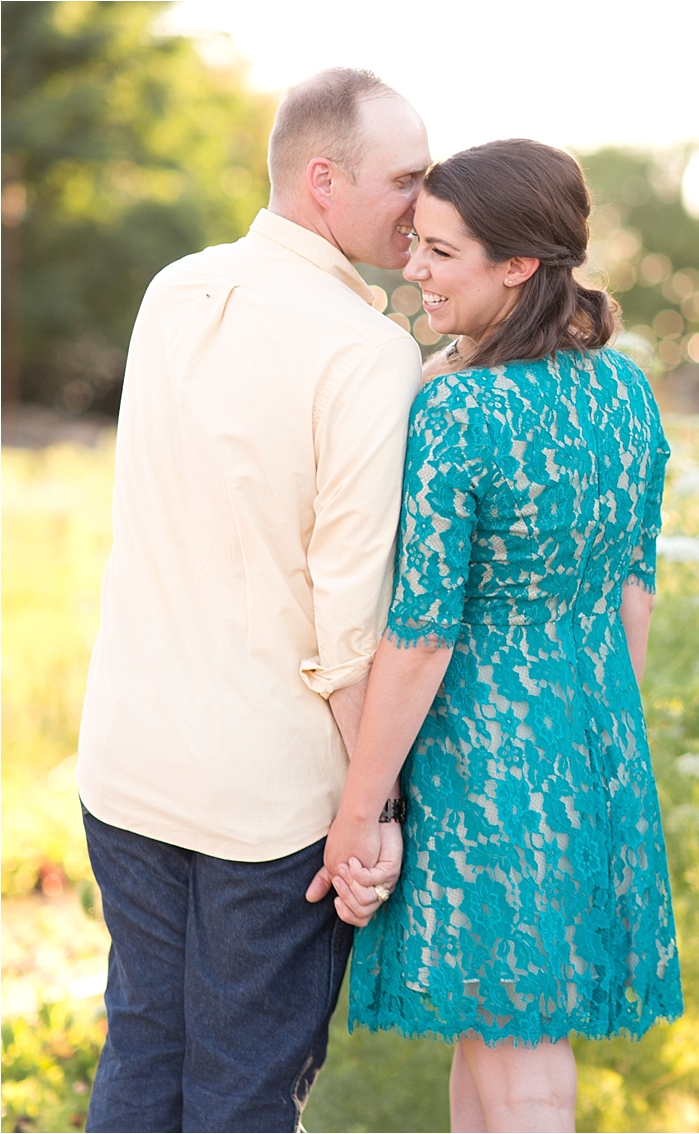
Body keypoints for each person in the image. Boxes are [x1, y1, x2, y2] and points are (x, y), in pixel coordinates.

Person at [74, 69, 430, 1131]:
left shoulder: (173, 288)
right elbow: (348, 615)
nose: (427, 200)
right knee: (241, 1095)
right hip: (264, 798)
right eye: (406, 178)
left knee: (143, 1053)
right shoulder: (368, 351)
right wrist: (371, 815)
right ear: (324, 180)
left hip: (126, 761)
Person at [327, 138, 684, 1133]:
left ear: (518, 264)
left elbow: (423, 634)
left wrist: (363, 809)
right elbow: (633, 593)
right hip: (591, 738)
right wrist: (597, 741)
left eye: (442, 252)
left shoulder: (458, 412)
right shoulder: (624, 392)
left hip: (480, 753)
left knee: (520, 1055)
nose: (414, 269)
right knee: (490, 1042)